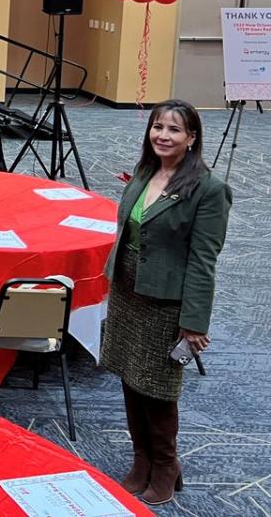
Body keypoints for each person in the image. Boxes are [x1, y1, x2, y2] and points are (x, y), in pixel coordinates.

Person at [100, 100, 230, 506]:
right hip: (127, 291)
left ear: (192, 138)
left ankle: (166, 465)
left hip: (165, 302)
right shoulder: (144, 172)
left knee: (157, 387)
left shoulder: (208, 190)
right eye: (158, 127)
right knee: (128, 376)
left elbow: (204, 260)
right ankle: (141, 459)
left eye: (174, 130)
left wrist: (194, 323)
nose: (163, 136)